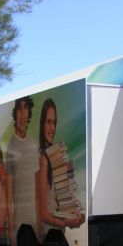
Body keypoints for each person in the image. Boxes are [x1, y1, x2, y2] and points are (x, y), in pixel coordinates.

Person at [37, 98, 84, 231]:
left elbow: (61, 203)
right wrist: (66, 223)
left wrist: (76, 216)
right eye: (48, 122)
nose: (52, 128)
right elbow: (43, 213)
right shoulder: (43, 159)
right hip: (49, 234)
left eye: (54, 123)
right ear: (42, 124)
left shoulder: (55, 156)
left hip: (58, 232)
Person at [6, 96, 39, 246]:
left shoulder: (34, 143)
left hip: (36, 218)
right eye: (19, 108)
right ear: (15, 114)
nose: (22, 114)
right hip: (19, 219)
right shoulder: (11, 146)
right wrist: (11, 228)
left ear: (28, 114)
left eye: (25, 108)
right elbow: (8, 190)